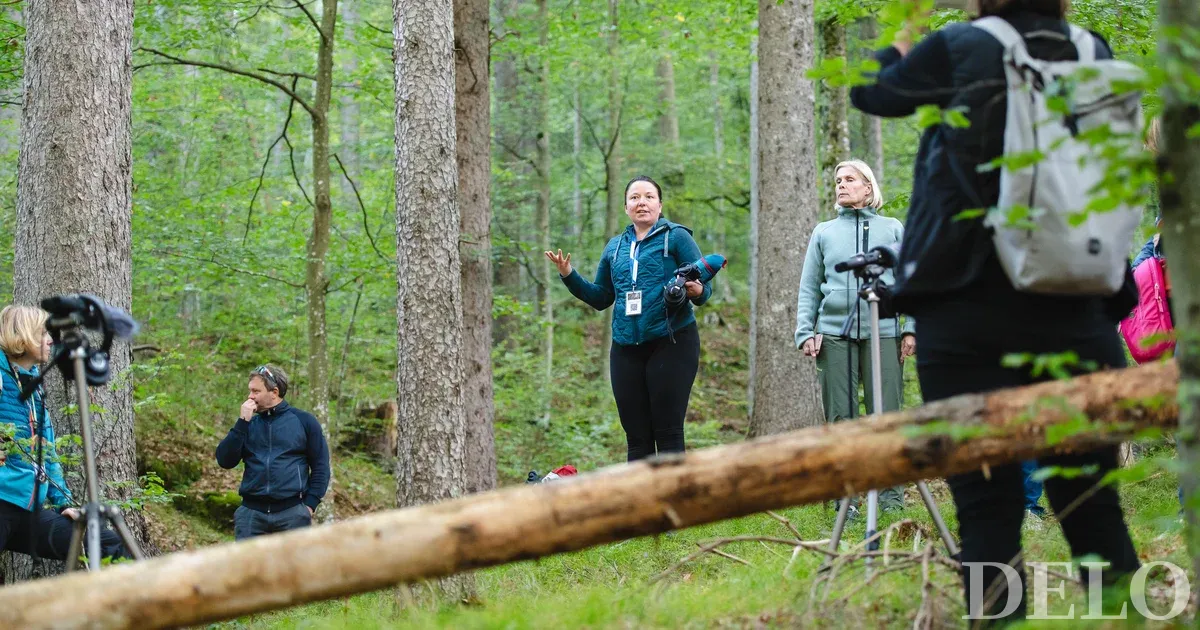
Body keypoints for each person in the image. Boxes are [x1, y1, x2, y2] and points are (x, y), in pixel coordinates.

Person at [850, 0, 1141, 621]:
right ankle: (1126, 614)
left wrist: (900, 42)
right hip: (1080, 307)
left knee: (986, 510)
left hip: (967, 310)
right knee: (1092, 502)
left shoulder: (965, 46)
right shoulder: (1094, 54)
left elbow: (873, 95)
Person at [545, 176, 712, 462]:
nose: (642, 202)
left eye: (649, 197)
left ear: (659, 205)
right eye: (635, 197)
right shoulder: (614, 248)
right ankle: (642, 506)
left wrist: (697, 291)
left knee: (669, 432)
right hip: (624, 348)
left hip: (672, 342)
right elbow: (601, 298)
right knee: (636, 438)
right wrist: (568, 274)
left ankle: (676, 504)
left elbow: (704, 288)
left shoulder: (678, 237)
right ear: (625, 207)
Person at [795, 159, 914, 512]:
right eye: (838, 180)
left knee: (886, 417)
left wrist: (912, 328)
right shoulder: (824, 232)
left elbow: (912, 281)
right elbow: (809, 288)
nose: (842, 185)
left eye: (850, 179)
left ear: (868, 187)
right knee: (840, 421)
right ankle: (844, 502)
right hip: (834, 336)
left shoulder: (893, 229)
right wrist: (806, 331)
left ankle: (891, 501)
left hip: (885, 332)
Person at [0, 305, 128, 564]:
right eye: (42, 333)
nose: (49, 340)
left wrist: (63, 503)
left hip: (27, 511)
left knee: (107, 544)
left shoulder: (33, 385)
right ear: (22, 336)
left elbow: (48, 453)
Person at [216, 364, 330, 540]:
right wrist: (242, 422)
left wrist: (309, 505)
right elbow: (225, 460)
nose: (250, 396)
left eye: (255, 391)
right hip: (251, 516)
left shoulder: (305, 421)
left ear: (274, 392)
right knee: (249, 568)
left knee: (291, 569)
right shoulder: (248, 425)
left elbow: (321, 467)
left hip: (292, 515)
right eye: (250, 391)